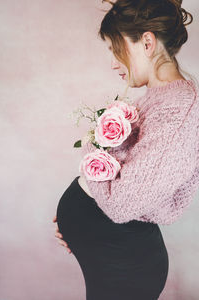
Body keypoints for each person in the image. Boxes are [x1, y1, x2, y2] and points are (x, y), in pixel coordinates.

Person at [53, 0, 199, 299]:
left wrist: (91, 160)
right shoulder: (160, 97)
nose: (113, 63)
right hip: (113, 249)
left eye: (115, 48)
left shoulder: (180, 109)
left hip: (125, 263)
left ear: (147, 42)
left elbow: (123, 205)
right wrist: (82, 223)